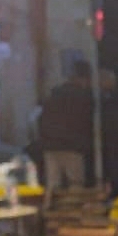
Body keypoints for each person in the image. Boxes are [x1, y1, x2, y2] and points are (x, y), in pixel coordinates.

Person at [36, 62, 95, 197]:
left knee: (53, 184)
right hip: (72, 146)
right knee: (76, 184)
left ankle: (50, 208)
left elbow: (41, 119)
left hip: (50, 145)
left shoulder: (54, 95)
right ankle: (73, 209)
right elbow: (85, 122)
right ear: (85, 78)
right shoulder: (83, 97)